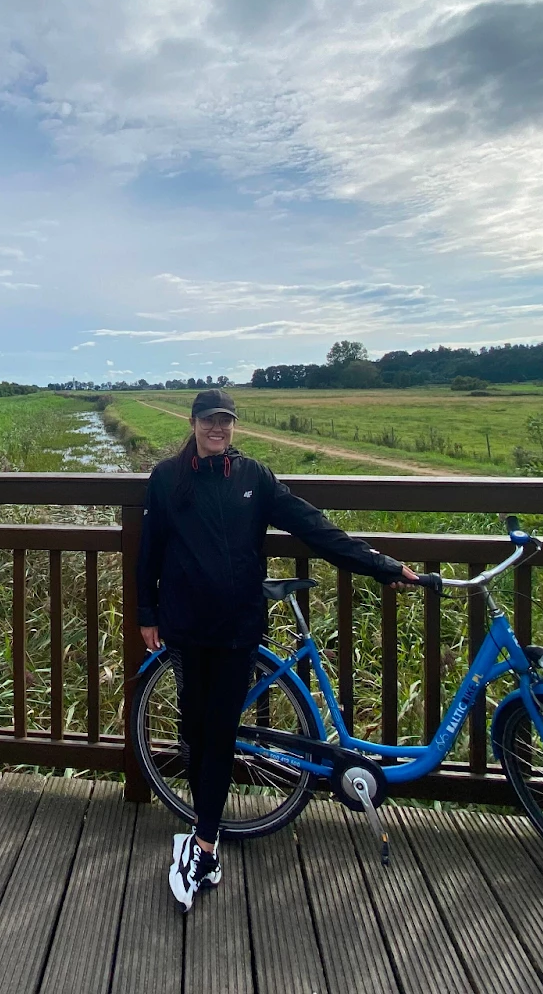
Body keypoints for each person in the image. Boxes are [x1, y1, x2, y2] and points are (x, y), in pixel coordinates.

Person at [136, 388, 425, 911]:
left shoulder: (255, 478)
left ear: (233, 425)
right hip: (185, 626)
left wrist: (383, 566)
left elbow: (314, 528)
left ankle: (205, 842)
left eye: (225, 421)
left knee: (220, 732)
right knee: (195, 733)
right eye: (208, 421)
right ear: (194, 423)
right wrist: (146, 614)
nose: (217, 429)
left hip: (238, 629)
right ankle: (204, 824)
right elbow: (150, 548)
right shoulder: (166, 478)